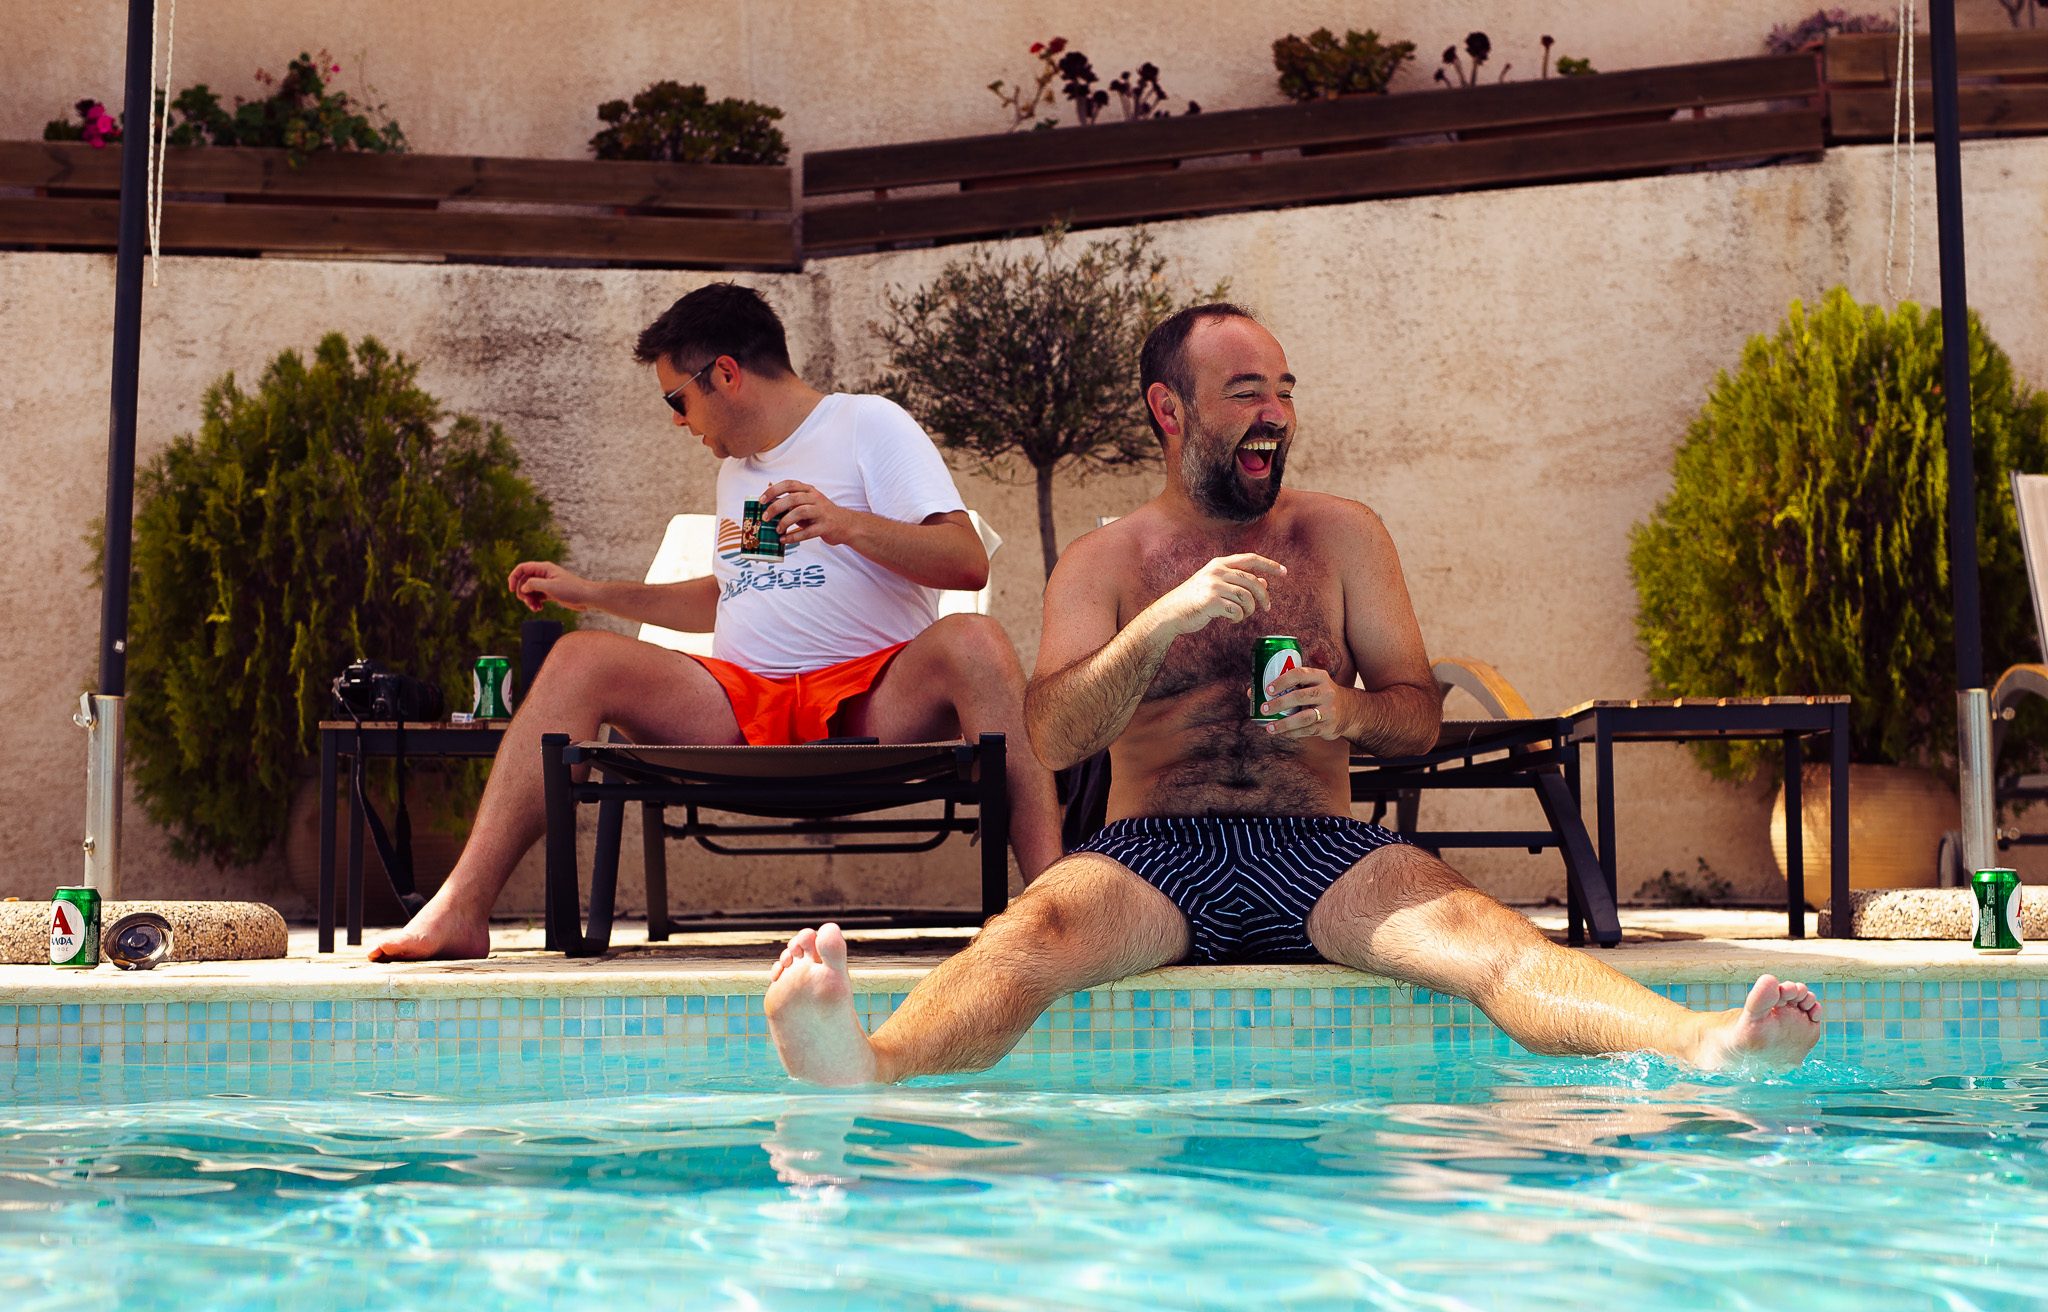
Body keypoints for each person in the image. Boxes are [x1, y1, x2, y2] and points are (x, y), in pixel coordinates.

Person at [764, 302, 1823, 1082]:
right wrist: (1159, 626)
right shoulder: (1106, 560)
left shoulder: (1340, 537)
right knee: (1029, 938)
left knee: (1486, 941)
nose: (1274, 414)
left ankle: (1703, 1044)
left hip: (1319, 848)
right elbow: (1051, 735)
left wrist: (1348, 712)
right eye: (1244, 394)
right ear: (1167, 410)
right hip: (1152, 855)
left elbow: (1415, 717)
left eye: (1283, 392)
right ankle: (870, 1061)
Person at [370, 284, 1063, 961]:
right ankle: (462, 903)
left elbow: (966, 560)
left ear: (725, 374)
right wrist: (595, 593)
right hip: (743, 704)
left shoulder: (867, 426)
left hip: (870, 700)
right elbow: (731, 593)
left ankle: (1059, 908)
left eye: (679, 399)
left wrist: (848, 524)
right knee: (579, 659)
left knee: (977, 640)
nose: (677, 421)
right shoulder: (737, 472)